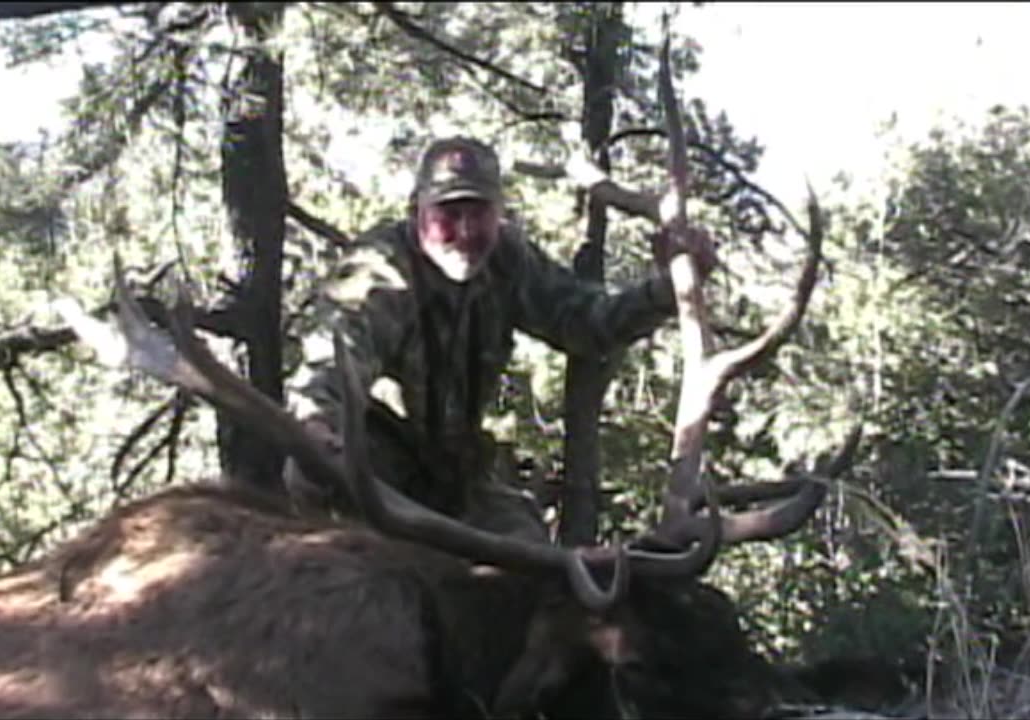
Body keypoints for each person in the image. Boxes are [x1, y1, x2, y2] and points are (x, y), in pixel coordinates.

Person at [284, 136, 716, 542]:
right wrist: (317, 422)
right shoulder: (381, 270)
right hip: (378, 472)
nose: (467, 230)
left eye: (479, 211)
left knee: (539, 573)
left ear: (499, 212)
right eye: (449, 213)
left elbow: (588, 323)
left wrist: (666, 289)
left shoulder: (507, 260)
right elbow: (335, 351)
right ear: (416, 210)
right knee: (328, 502)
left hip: (459, 480)